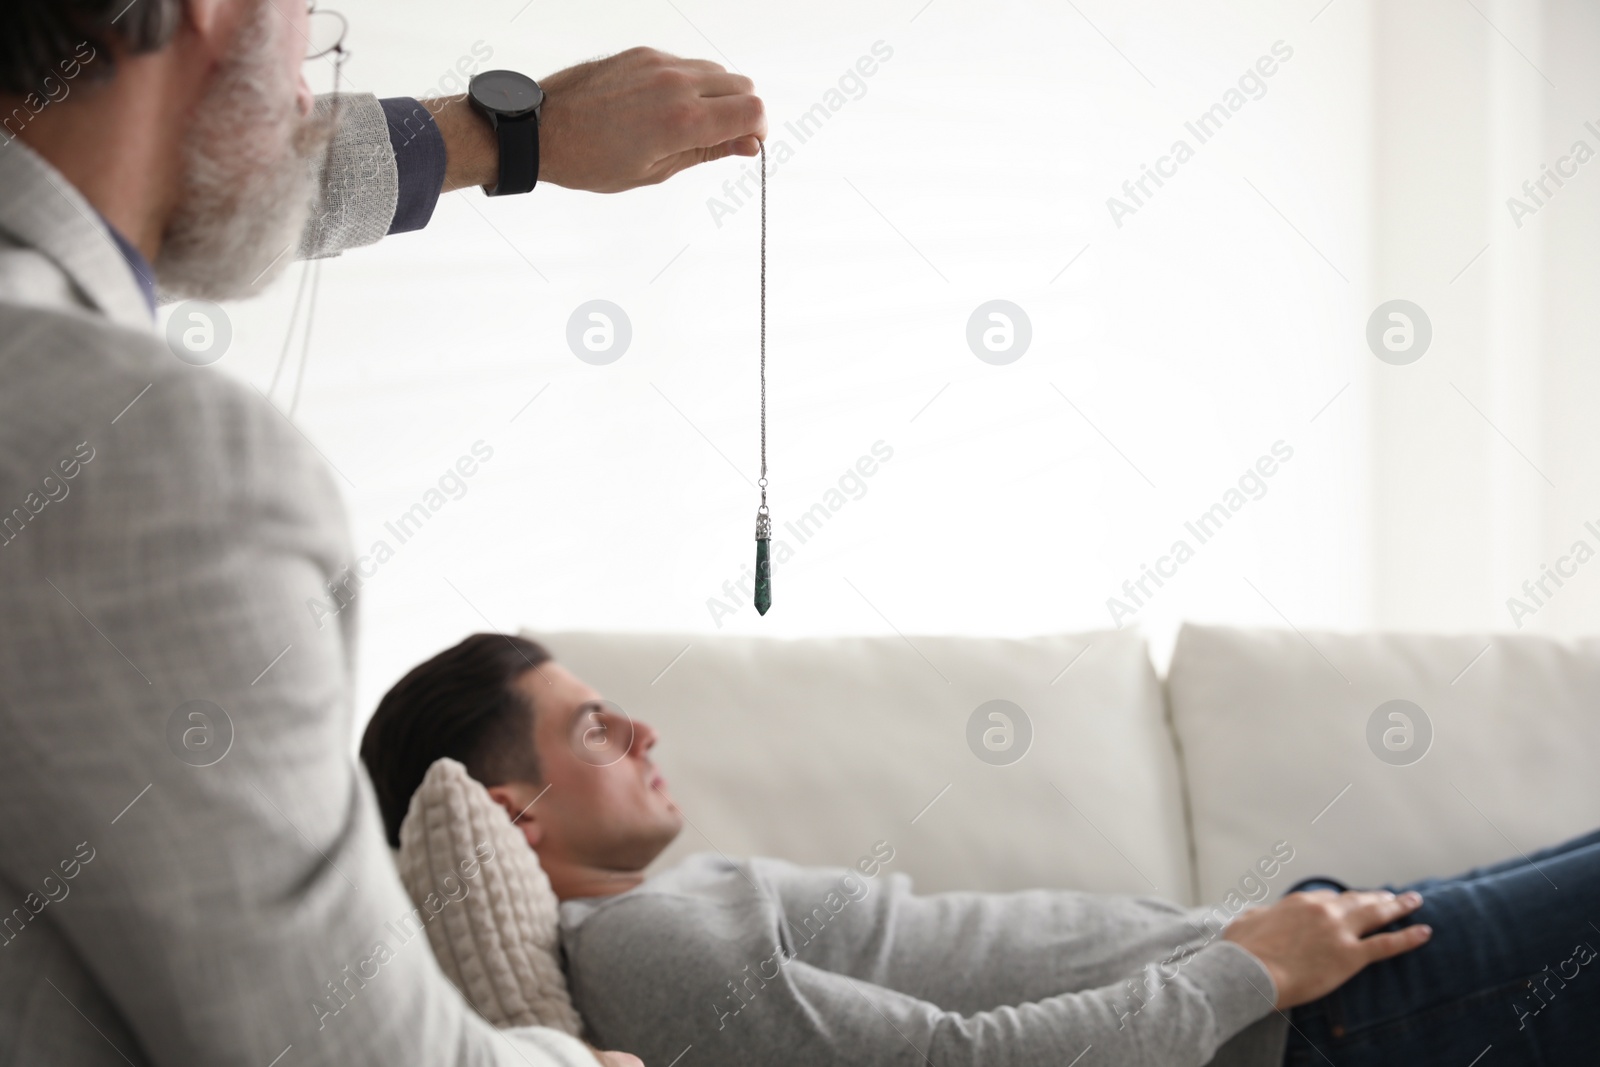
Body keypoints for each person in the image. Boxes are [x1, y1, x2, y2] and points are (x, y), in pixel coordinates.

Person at [0, 1, 764, 1064]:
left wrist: (516, 133)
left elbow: (210, 167)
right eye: (308, 29)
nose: (311, 93)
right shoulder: (145, 457)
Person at [362, 633, 1600, 1067]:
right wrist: (1253, 972)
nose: (638, 725)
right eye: (590, 725)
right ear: (512, 811)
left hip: (1307, 976)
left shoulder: (662, 917)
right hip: (1312, 1019)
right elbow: (959, 1064)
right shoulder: (639, 951)